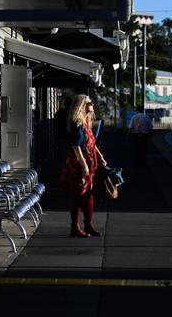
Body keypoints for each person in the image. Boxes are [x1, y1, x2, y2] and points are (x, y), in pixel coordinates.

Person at [61, 94, 107, 238]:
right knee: (79, 195)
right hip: (79, 164)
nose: (92, 104)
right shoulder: (78, 123)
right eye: (89, 102)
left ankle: (88, 224)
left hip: (89, 162)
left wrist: (100, 156)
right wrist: (84, 165)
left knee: (88, 195)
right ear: (82, 105)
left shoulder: (86, 122)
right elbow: (76, 146)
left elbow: (91, 143)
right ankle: (75, 227)